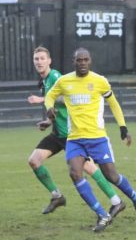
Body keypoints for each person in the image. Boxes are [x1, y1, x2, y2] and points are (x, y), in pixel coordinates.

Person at [44, 48, 136, 232]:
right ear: (73, 62)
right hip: (75, 139)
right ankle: (102, 214)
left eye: (86, 60)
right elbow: (50, 95)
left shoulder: (99, 81)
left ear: (90, 61)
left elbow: (113, 103)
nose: (82, 63)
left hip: (97, 138)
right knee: (75, 173)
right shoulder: (64, 81)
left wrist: (123, 127)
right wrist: (49, 107)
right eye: (79, 60)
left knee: (111, 176)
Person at [27, 46, 124, 217]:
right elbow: (60, 107)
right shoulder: (44, 81)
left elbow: (67, 99)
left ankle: (116, 201)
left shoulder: (56, 77)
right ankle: (57, 196)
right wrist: (49, 121)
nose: (39, 62)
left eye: (42, 58)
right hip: (58, 133)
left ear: (49, 61)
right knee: (34, 161)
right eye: (36, 59)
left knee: (90, 169)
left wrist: (42, 99)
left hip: (72, 134)